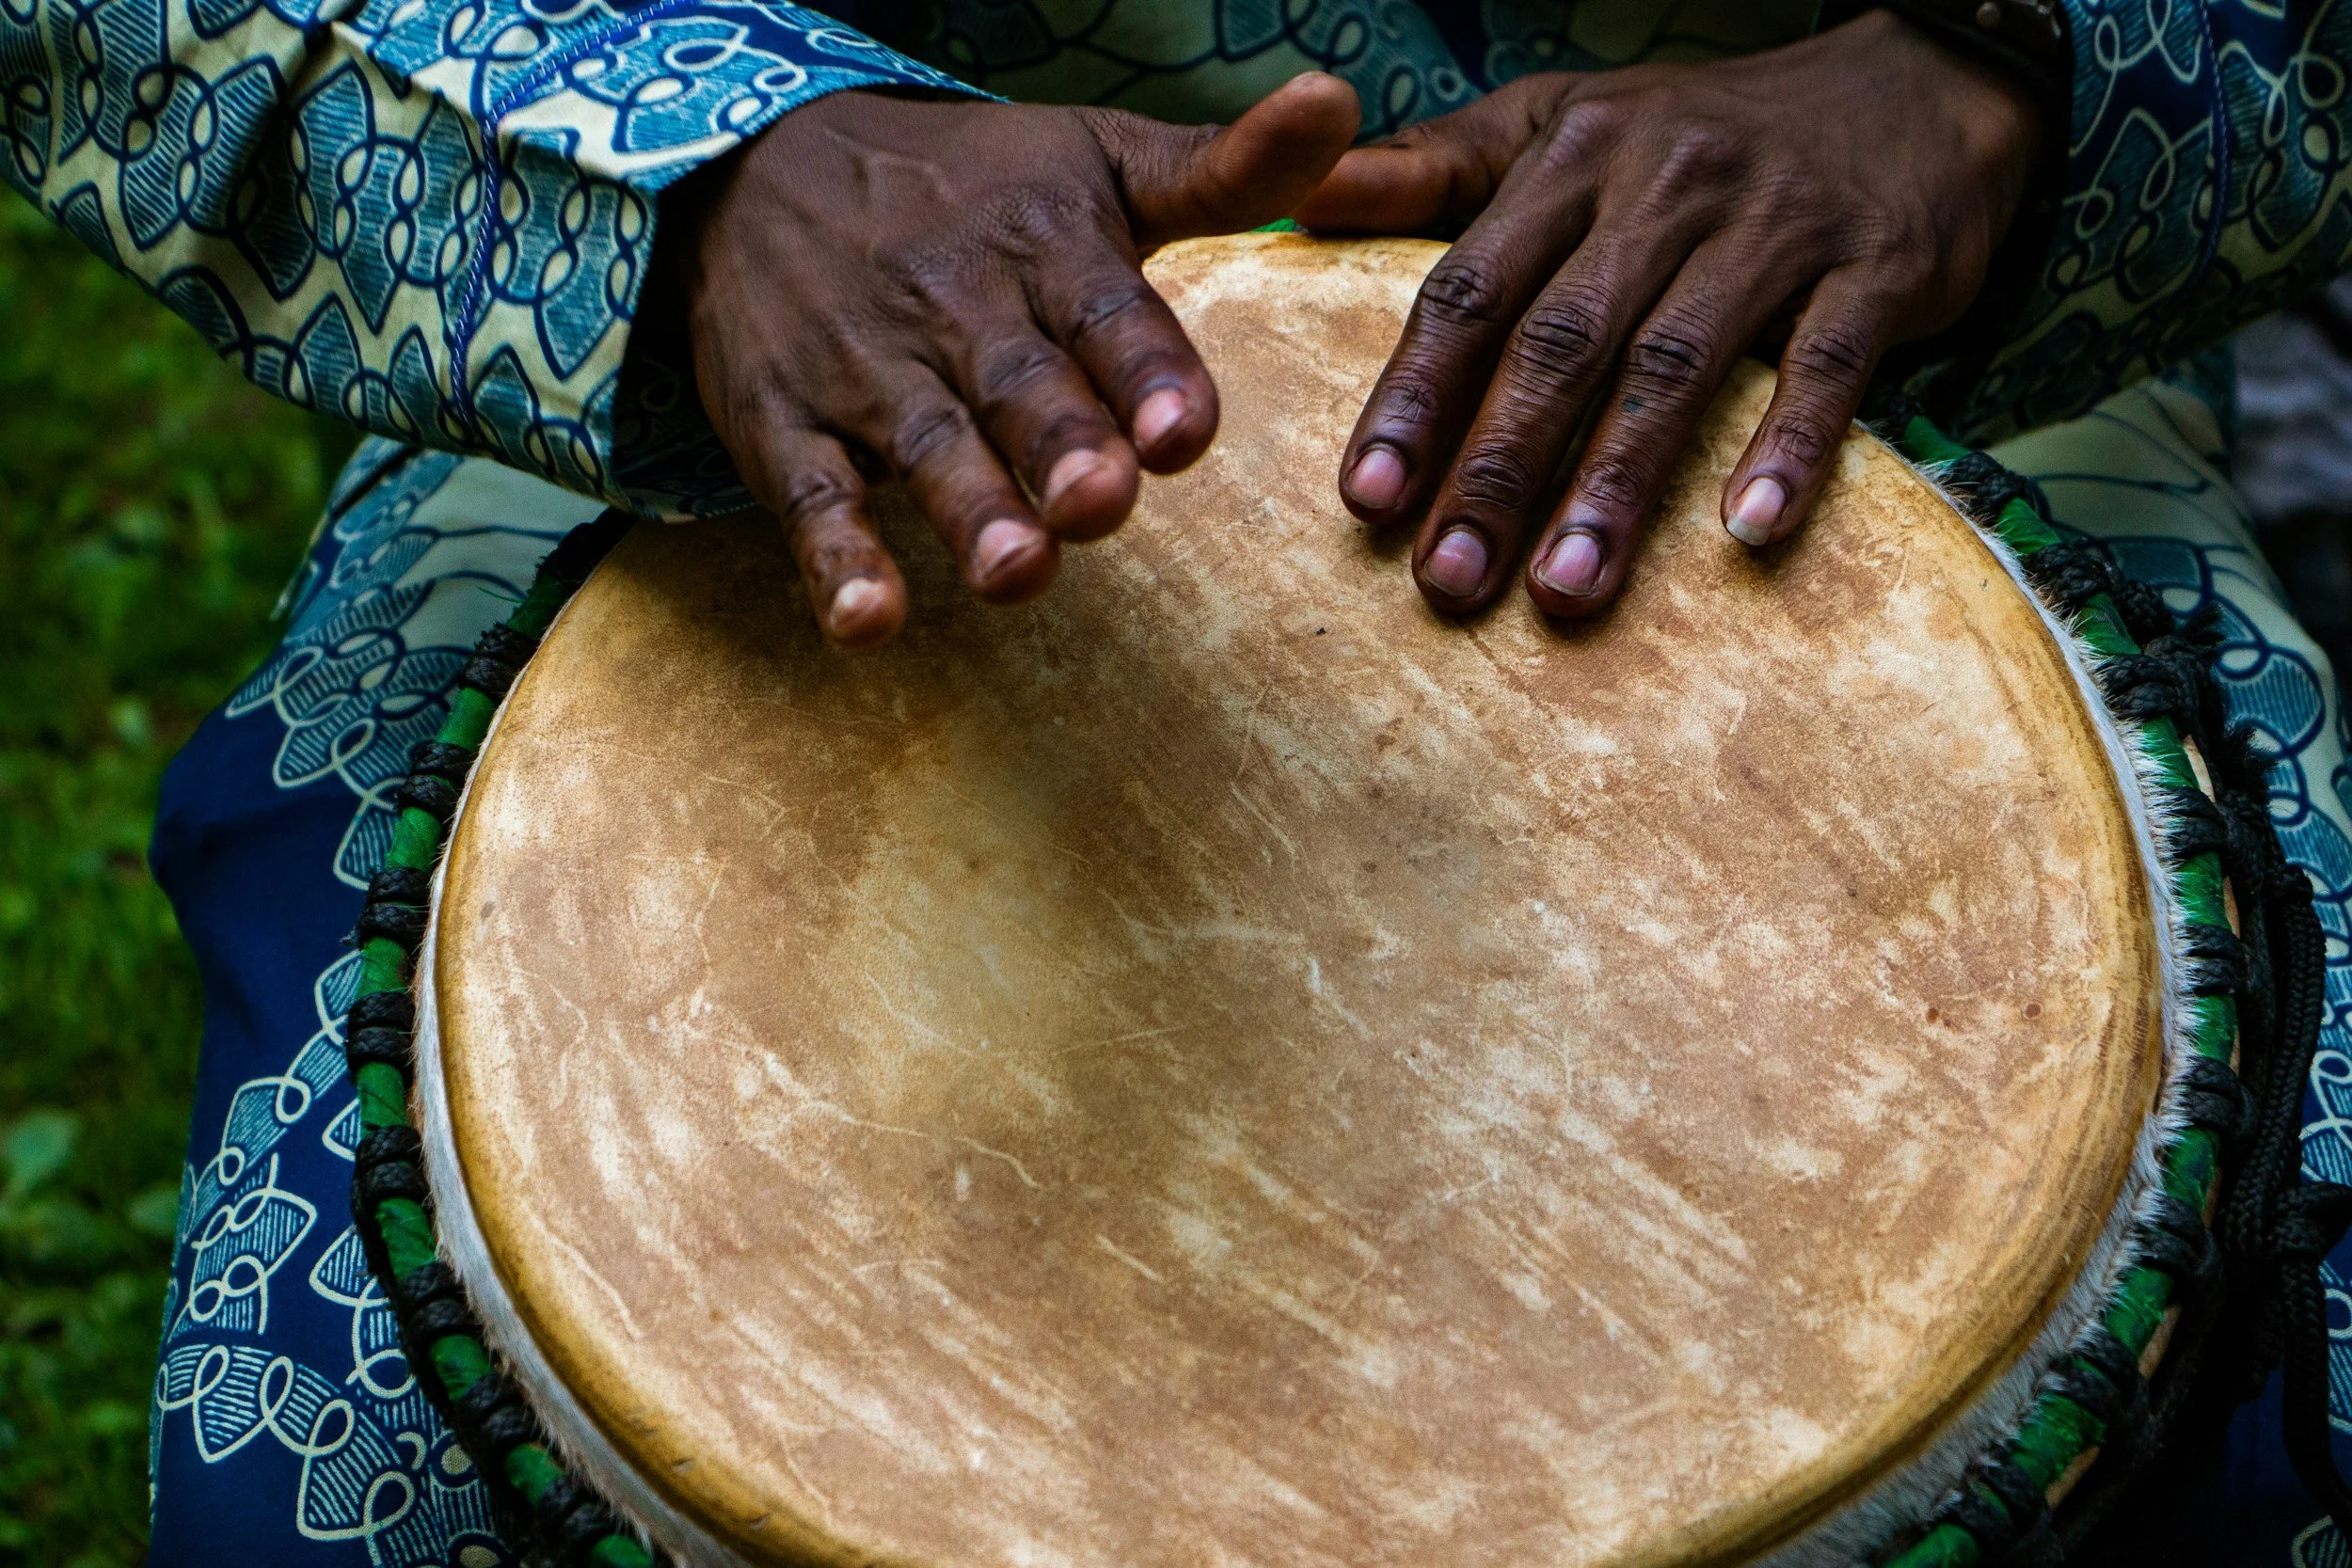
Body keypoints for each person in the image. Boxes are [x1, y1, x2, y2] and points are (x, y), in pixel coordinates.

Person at [2, 0, 2344, 1560]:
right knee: (342, 1459)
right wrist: (696, 163)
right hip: (753, 343)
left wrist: (1980, 77)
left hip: (1859, 335)